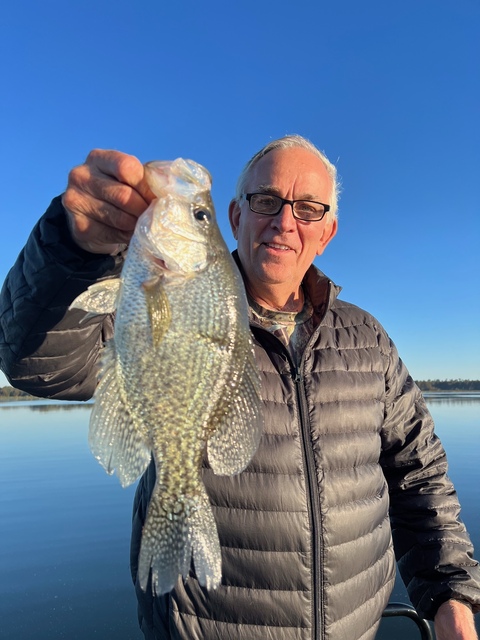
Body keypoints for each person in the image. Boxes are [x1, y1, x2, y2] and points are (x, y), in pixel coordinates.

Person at [1, 136, 479, 640]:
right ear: (234, 217)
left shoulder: (368, 340)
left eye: (309, 209)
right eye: (266, 200)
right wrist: (71, 249)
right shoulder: (150, 296)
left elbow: (420, 478)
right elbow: (39, 365)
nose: (284, 222)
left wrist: (451, 596)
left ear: (328, 232)